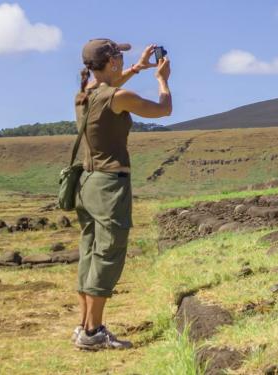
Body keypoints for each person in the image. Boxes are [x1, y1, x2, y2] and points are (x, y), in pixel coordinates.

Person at [71, 38, 172, 351]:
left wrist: (138, 67)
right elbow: (163, 110)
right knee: (109, 253)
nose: (121, 61)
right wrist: (161, 81)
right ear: (111, 62)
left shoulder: (84, 94)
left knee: (90, 252)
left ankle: (85, 326)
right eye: (119, 57)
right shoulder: (118, 96)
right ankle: (94, 332)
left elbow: (110, 87)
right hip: (108, 186)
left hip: (85, 184)